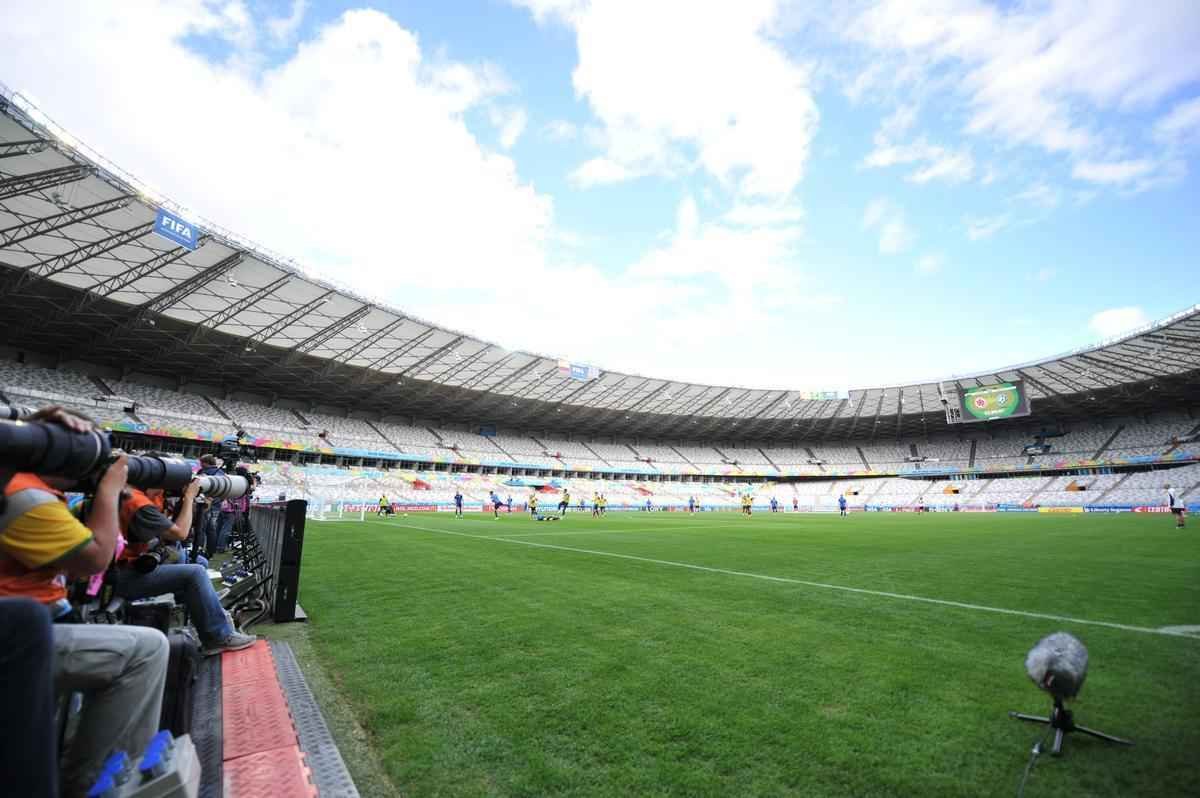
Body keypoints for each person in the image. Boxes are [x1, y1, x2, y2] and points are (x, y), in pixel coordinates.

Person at [0, 408, 169, 797]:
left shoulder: (28, 485)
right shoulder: (24, 494)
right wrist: (110, 490)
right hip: (21, 634)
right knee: (146, 650)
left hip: (35, 622)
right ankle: (95, 784)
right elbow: (93, 560)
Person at [110, 480, 256, 656]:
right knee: (195, 572)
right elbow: (180, 532)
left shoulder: (140, 497)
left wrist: (195, 506)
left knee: (198, 561)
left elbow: (174, 532)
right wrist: (188, 498)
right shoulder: (137, 503)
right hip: (123, 576)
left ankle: (204, 602)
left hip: (131, 567)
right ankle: (218, 637)